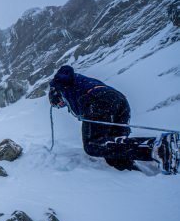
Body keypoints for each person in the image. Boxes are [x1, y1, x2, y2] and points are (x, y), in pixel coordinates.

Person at [49, 65, 178, 175]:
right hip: (119, 101)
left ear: (57, 95)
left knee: (93, 145)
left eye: (59, 103)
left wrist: (55, 84)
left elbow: (66, 71)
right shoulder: (78, 86)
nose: (61, 105)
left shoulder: (62, 84)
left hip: (98, 100)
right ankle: (139, 172)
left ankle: (156, 147)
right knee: (114, 152)